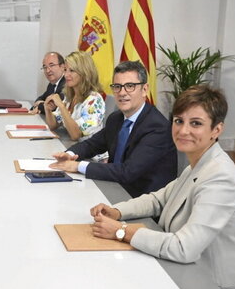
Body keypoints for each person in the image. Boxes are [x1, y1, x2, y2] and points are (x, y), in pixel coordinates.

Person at [89, 85, 235, 289]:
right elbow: (159, 199)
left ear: (216, 130)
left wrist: (121, 231)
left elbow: (184, 248)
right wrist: (118, 211)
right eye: (179, 121)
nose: (183, 130)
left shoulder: (219, 177)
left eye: (196, 123)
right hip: (190, 277)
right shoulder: (199, 163)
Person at [49, 60, 177, 198]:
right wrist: (69, 154)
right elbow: (92, 144)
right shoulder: (116, 119)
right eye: (117, 86)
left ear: (144, 89)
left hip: (141, 203)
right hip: (113, 188)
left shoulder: (157, 128)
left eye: (130, 86)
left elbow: (127, 172)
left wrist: (77, 166)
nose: (122, 93)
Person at [42, 51, 105, 140]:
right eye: (65, 70)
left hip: (91, 153)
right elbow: (53, 125)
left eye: (71, 70)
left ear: (84, 72)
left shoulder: (95, 100)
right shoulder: (70, 96)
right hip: (70, 147)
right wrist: (47, 109)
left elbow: (76, 135)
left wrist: (62, 107)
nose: (66, 75)